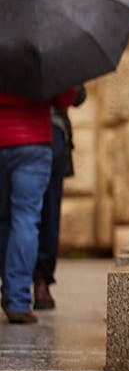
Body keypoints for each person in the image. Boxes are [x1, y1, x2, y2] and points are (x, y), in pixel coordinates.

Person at [1, 86, 79, 324]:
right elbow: (65, 99)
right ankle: (17, 299)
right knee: (26, 219)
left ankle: (9, 285)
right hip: (34, 142)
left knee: (3, 219)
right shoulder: (41, 51)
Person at [34, 86, 87, 310]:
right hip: (48, 133)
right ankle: (41, 282)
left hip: (9, 133)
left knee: (16, 216)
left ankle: (14, 288)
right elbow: (76, 96)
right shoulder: (57, 52)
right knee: (48, 212)